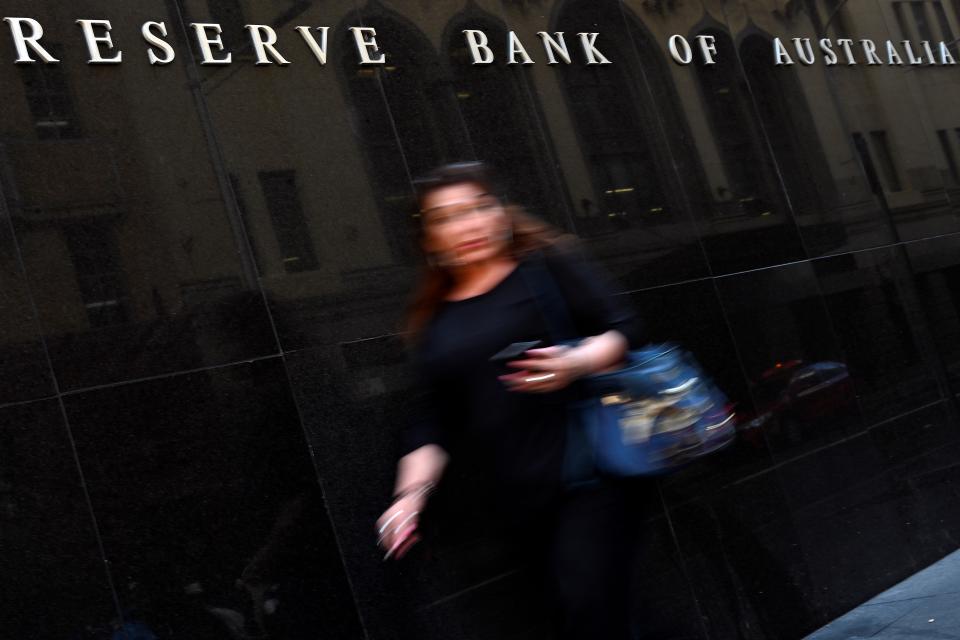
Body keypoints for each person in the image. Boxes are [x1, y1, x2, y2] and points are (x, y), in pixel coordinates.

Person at [376, 162, 650, 640]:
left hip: (585, 479)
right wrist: (408, 499)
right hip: (503, 508)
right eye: (447, 217)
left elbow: (625, 329)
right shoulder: (433, 320)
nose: (469, 224)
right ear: (428, 239)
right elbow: (431, 422)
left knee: (591, 611)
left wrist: (575, 362)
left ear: (501, 213)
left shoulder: (544, 268)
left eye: (480, 208)